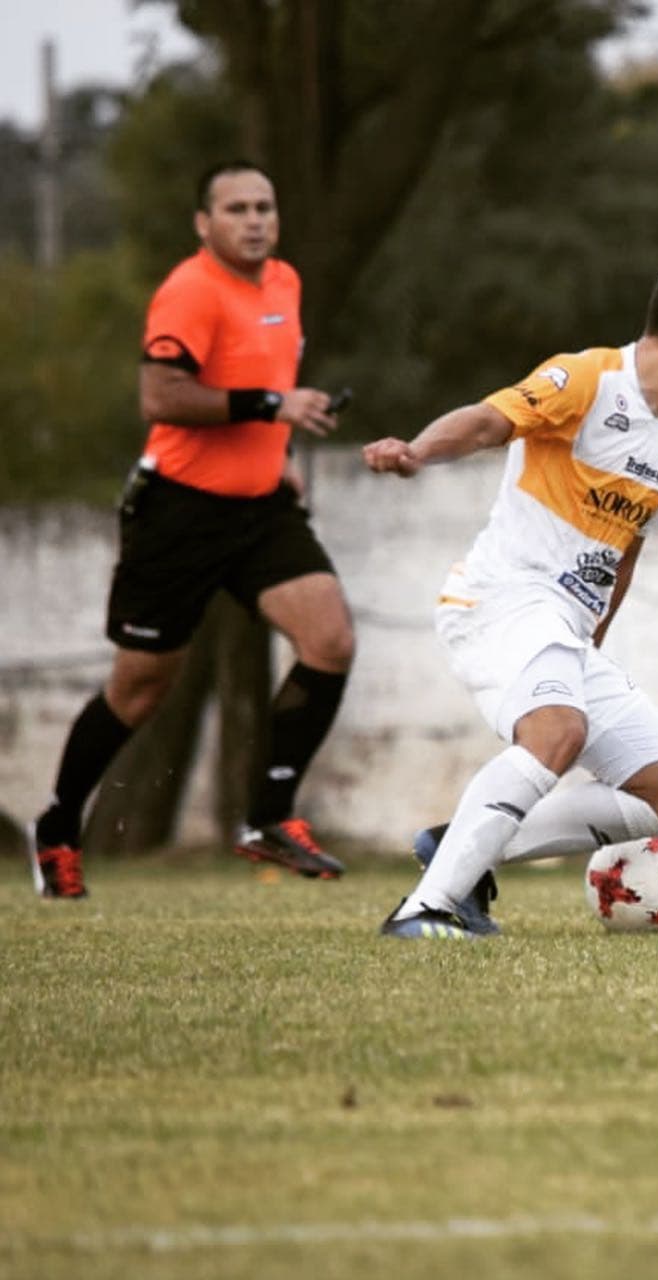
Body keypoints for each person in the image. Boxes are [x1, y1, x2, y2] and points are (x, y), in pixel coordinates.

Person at [363, 255, 658, 939]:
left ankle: (460, 842)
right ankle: (425, 910)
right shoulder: (588, 378)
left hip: (563, 628)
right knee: (557, 734)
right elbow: (491, 420)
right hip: (502, 600)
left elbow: (626, 546)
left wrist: (590, 642)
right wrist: (420, 452)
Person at [29, 160, 355, 898]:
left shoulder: (285, 283)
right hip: (177, 510)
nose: (254, 220)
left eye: (264, 206)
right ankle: (56, 826)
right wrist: (274, 407)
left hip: (260, 507)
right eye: (236, 208)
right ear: (203, 224)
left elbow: (263, 388)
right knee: (140, 689)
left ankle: (269, 817)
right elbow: (163, 394)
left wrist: (281, 454)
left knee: (329, 639)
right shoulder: (189, 291)